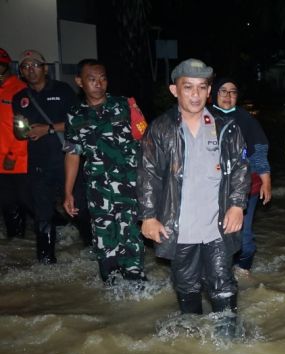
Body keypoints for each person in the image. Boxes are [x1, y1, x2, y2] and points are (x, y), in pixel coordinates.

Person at [138, 58, 249, 337]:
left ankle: (227, 343)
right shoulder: (161, 128)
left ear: (209, 91)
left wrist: (237, 205)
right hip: (180, 226)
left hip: (217, 227)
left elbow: (240, 167)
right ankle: (195, 342)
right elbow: (147, 173)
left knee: (223, 285)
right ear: (175, 90)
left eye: (202, 87)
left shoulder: (226, 127)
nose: (196, 94)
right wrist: (149, 216)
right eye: (188, 87)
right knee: (186, 285)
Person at [63, 59, 146, 285]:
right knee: (103, 238)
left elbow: (145, 141)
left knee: (130, 234)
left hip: (130, 184)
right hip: (98, 187)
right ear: (79, 82)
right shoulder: (74, 115)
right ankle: (111, 285)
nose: (99, 84)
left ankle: (137, 284)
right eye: (92, 79)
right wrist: (68, 192)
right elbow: (72, 154)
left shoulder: (125, 105)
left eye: (103, 78)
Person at [12, 49, 91, 264]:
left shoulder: (63, 90)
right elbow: (20, 133)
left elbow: (79, 122)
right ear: (21, 71)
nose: (31, 70)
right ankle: (46, 264)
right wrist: (22, 130)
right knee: (42, 217)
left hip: (68, 162)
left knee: (79, 211)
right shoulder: (19, 98)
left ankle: (92, 249)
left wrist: (47, 129)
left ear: (45, 68)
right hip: (38, 166)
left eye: (35, 65)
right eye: (25, 66)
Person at [209, 76, 272, 276]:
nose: (228, 96)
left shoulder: (247, 120)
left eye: (233, 92)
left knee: (244, 238)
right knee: (213, 236)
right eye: (223, 91)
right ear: (213, 93)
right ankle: (219, 274)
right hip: (211, 189)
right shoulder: (203, 118)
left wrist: (266, 180)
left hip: (246, 188)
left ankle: (243, 269)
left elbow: (259, 151)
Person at [0, 47, 29, 239]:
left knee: (14, 203)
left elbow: (23, 126)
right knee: (7, 203)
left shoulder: (18, 89)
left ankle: (17, 244)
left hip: (15, 160)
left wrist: (12, 155)